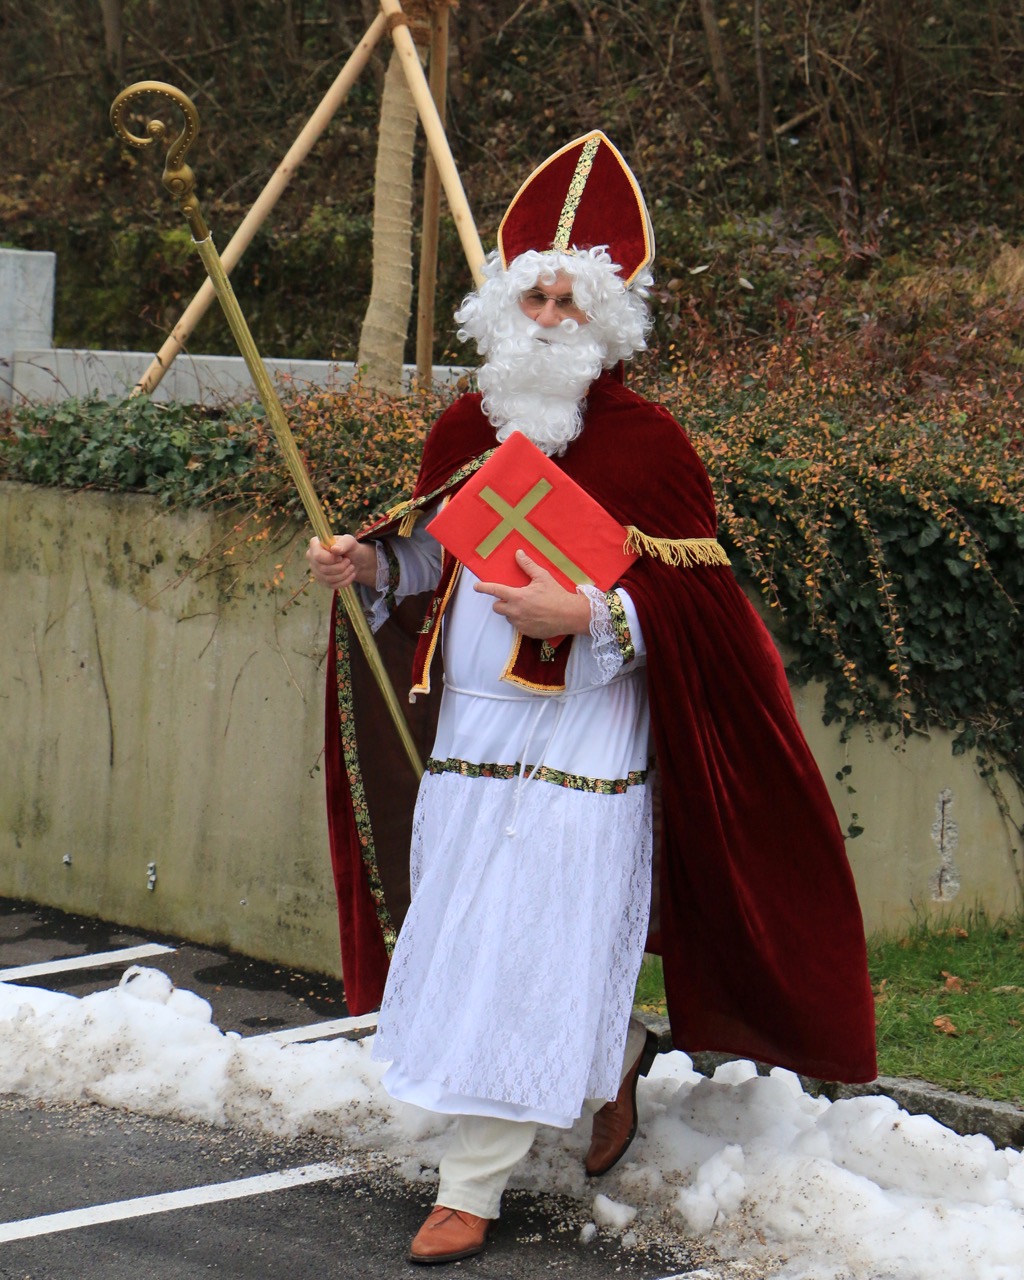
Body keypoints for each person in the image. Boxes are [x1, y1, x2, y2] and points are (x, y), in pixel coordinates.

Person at [307, 132, 876, 1266]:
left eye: (573, 296)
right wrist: (372, 565)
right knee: (479, 935)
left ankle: (472, 1182)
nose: (551, 312)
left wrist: (590, 615)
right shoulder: (466, 428)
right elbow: (435, 560)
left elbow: (702, 611)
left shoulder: (647, 445)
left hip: (587, 735)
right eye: (536, 292)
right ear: (503, 303)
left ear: (610, 315)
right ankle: (612, 1053)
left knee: (535, 936)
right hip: (475, 730)